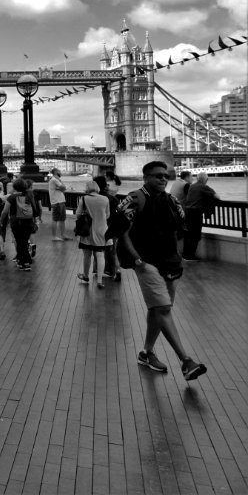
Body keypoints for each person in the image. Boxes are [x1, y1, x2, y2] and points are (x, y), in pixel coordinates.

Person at [117, 161, 207, 381]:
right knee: (164, 308)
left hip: (171, 262)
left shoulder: (172, 200)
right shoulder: (133, 198)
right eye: (158, 176)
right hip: (146, 263)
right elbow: (121, 231)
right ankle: (186, 361)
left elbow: (180, 229)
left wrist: (177, 256)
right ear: (146, 177)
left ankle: (146, 353)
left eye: (165, 176)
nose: (163, 179)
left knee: (159, 309)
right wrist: (138, 261)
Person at [0, 178, 41, 271]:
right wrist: (36, 221)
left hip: (16, 223)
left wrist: (1, 221)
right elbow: (35, 210)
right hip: (28, 222)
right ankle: (21, 262)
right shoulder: (29, 196)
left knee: (20, 242)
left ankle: (26, 262)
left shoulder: (11, 197)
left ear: (14, 187)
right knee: (24, 242)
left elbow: (5, 211)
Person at [75, 180, 110, 288]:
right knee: (100, 255)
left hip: (87, 231)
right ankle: (99, 281)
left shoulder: (84, 199)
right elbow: (108, 215)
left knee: (87, 255)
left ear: (87, 187)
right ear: (97, 188)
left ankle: (85, 275)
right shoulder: (105, 199)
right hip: (102, 230)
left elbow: (77, 214)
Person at [182, 173, 219, 261]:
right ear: (205, 180)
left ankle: (185, 255)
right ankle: (190, 256)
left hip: (187, 212)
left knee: (188, 234)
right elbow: (217, 196)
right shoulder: (203, 187)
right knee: (195, 235)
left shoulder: (192, 186)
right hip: (195, 213)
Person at [95, 175, 121, 281]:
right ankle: (116, 270)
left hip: (99, 227)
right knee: (113, 251)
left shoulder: (93, 199)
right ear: (105, 186)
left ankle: (101, 270)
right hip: (113, 226)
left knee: (99, 250)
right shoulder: (113, 199)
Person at [48, 168, 71, 241]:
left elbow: (63, 188)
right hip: (57, 202)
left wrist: (61, 188)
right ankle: (54, 236)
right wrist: (61, 188)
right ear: (55, 172)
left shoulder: (56, 180)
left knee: (62, 219)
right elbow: (64, 188)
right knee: (55, 219)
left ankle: (63, 235)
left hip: (60, 202)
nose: (61, 172)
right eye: (59, 171)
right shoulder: (54, 180)